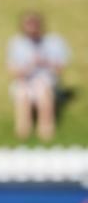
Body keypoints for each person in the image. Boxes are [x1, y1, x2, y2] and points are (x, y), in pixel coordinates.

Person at [7, 11, 70, 141]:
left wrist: (45, 62)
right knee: (21, 92)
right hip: (24, 81)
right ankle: (22, 132)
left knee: (42, 90)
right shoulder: (16, 43)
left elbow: (60, 69)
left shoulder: (54, 41)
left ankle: (46, 130)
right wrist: (30, 66)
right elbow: (13, 72)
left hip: (46, 81)